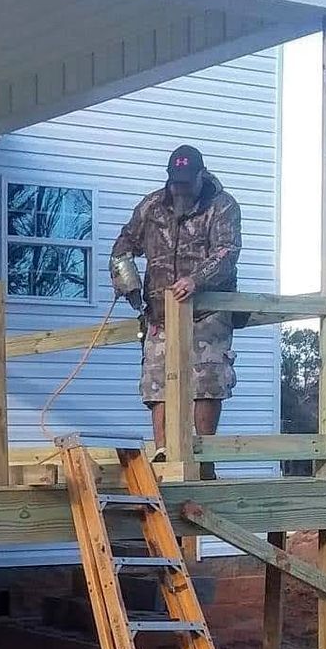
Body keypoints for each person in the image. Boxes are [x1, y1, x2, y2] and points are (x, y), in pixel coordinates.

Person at [109, 145, 241, 462]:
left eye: (185, 182)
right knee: (157, 381)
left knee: (205, 382)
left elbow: (227, 253)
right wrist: (127, 285)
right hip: (160, 313)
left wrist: (195, 279)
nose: (178, 188)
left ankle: (202, 456)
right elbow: (124, 245)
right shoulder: (152, 206)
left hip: (207, 311)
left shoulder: (221, 206)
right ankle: (164, 454)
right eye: (174, 182)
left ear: (200, 176)